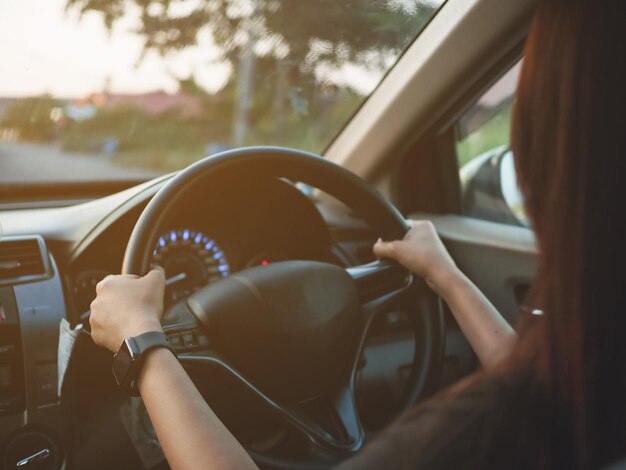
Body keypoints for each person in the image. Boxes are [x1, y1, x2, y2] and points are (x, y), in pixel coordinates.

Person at [89, 1, 626, 468]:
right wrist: (445, 275)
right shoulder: (585, 395)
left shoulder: (467, 438)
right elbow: (544, 385)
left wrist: (143, 338)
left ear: (548, 163)